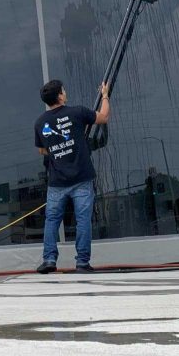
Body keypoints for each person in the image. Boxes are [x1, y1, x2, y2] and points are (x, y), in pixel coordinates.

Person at [33, 80, 110, 273]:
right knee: (83, 220)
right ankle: (82, 263)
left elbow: (42, 150)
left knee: (52, 220)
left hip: (57, 182)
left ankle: (49, 260)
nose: (65, 93)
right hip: (82, 179)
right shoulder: (77, 113)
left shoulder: (40, 122)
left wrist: (58, 148)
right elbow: (103, 117)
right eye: (63, 91)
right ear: (60, 96)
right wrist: (105, 95)